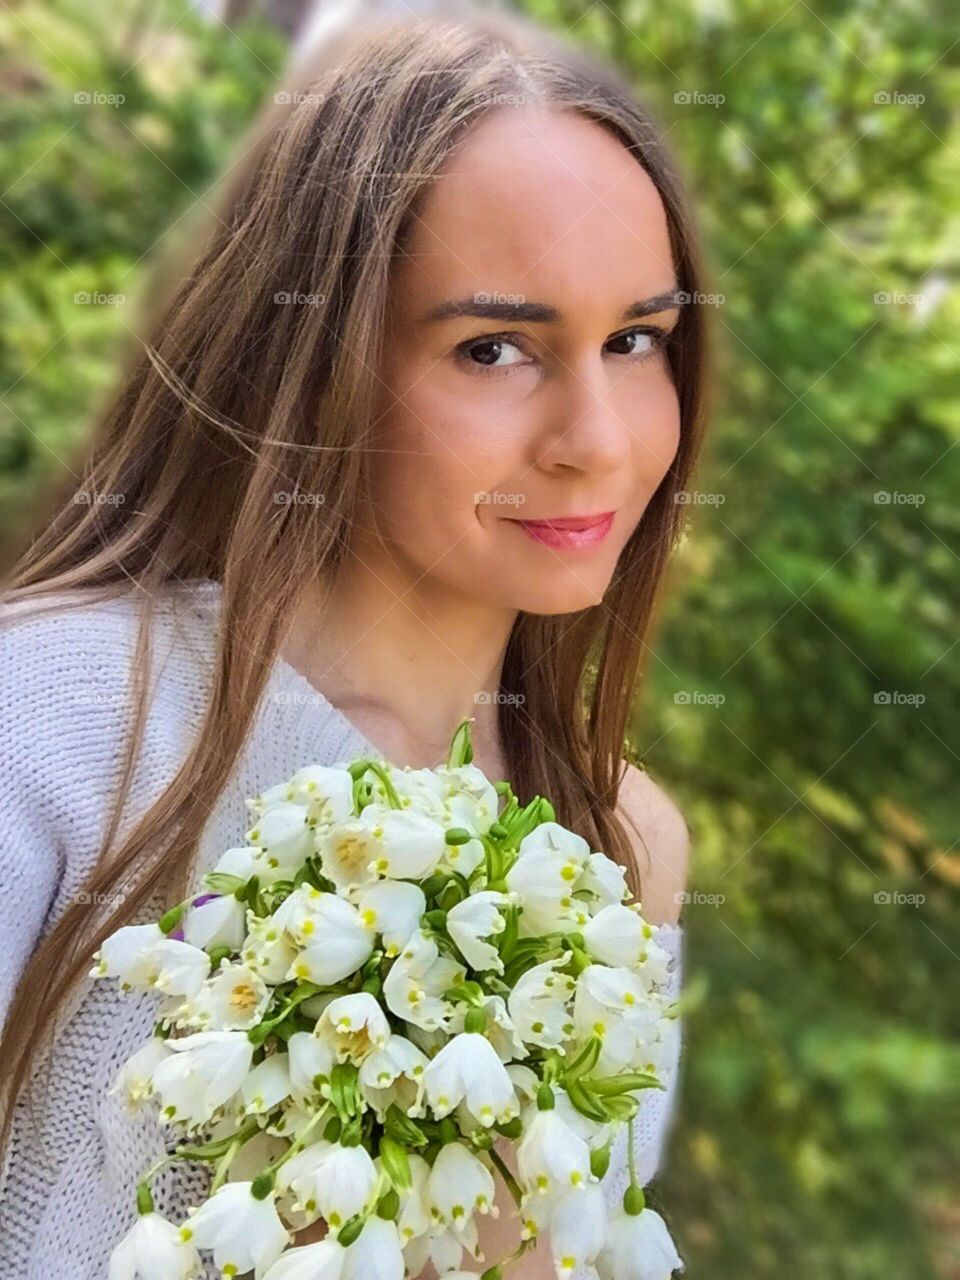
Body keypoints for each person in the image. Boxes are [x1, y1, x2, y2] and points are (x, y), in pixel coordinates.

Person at [0, 3, 708, 1275]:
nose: (598, 440)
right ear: (319, 351)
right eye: (495, 347)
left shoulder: (617, 847)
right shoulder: (54, 715)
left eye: (634, 340)